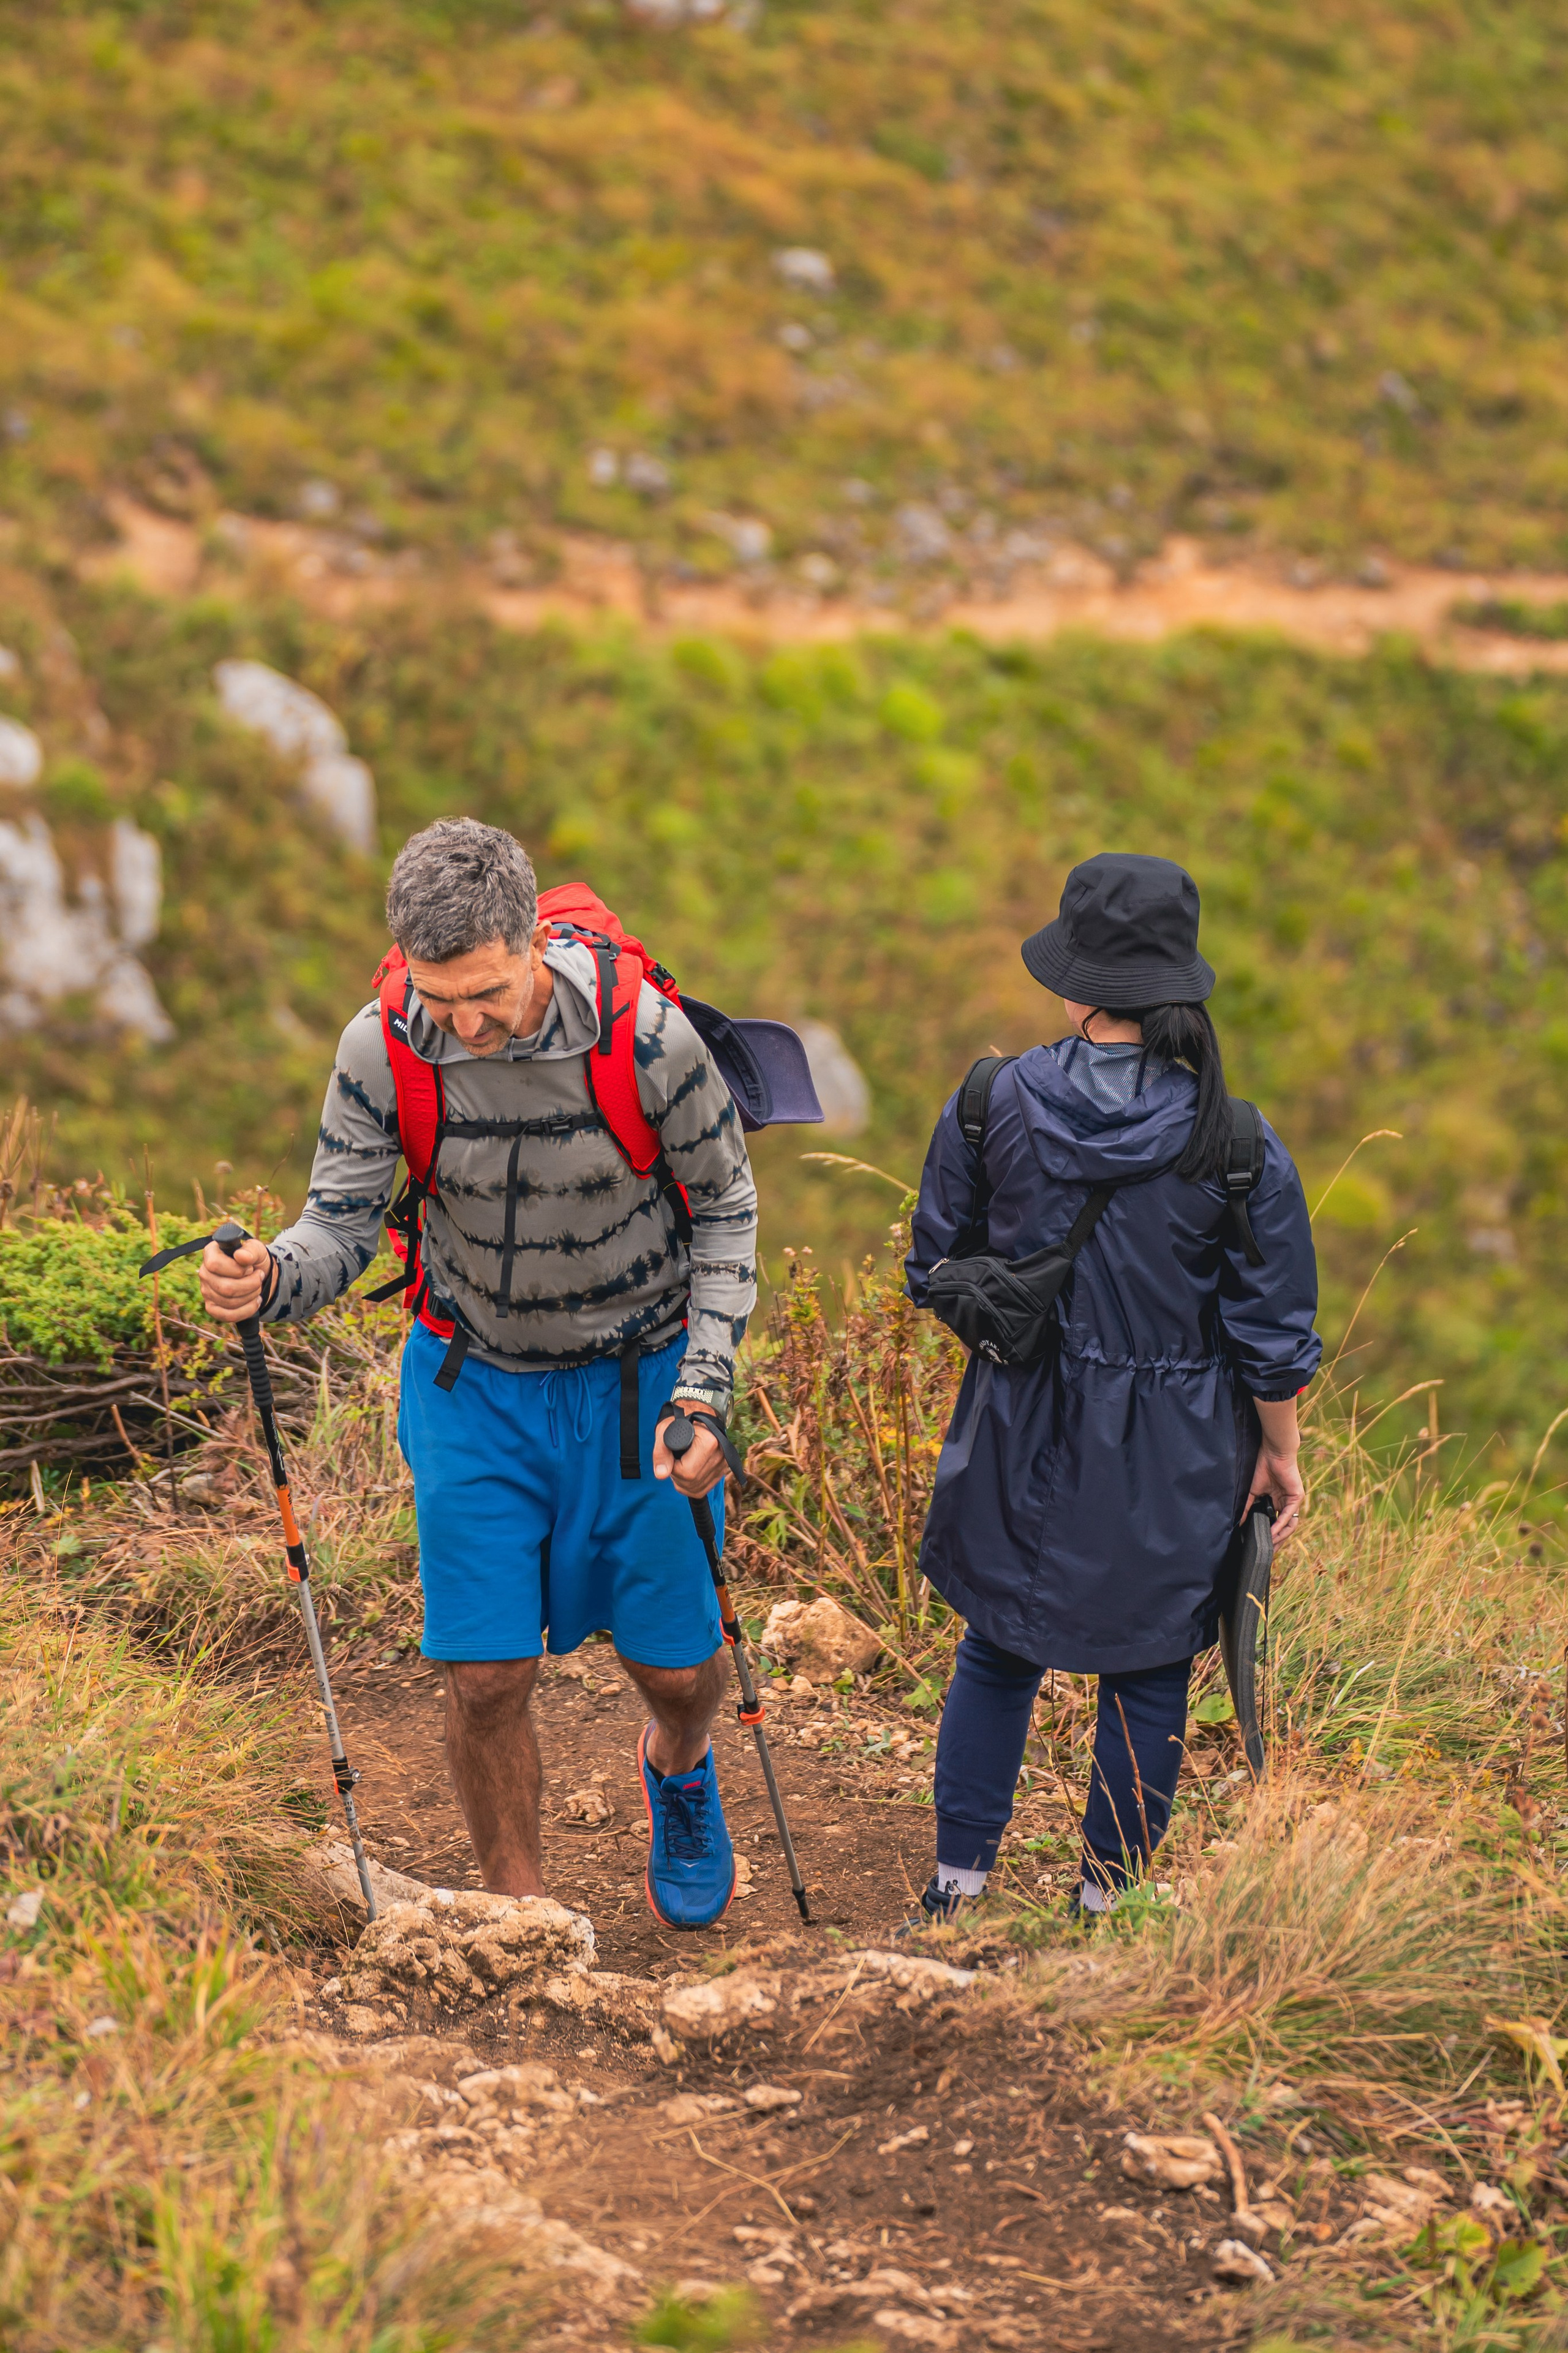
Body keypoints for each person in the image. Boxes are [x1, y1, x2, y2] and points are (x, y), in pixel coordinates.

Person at [198, 817, 758, 1929]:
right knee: (485, 1675)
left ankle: (680, 1768)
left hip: (640, 1384)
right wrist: (272, 1277)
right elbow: (341, 1226)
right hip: (473, 1385)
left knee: (680, 1670)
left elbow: (730, 1212)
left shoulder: (648, 1037)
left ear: (532, 939)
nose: (462, 1021)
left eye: (487, 993)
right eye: (437, 993)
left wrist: (704, 1389)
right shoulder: (383, 1045)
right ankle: (523, 1922)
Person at [904, 852, 1321, 1919]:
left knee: (997, 1646)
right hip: (1177, 1448)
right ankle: (1106, 1908)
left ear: (1075, 984)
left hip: (1018, 1420)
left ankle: (957, 1888)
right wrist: (1278, 1450)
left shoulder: (995, 1098)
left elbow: (934, 1262)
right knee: (1150, 1674)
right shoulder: (1235, 1142)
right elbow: (1272, 1336)